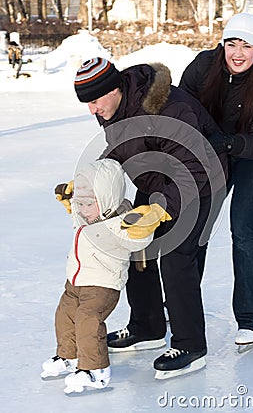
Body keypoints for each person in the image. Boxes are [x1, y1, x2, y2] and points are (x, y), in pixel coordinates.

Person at [56, 58, 228, 378]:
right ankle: (147, 327)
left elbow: (192, 167)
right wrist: (87, 185)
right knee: (132, 244)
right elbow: (118, 152)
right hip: (157, 180)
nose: (91, 110)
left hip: (202, 181)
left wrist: (162, 208)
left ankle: (190, 345)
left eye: (94, 101)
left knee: (176, 258)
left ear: (114, 89)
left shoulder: (169, 109)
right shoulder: (114, 109)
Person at [179, 12, 253, 350]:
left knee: (242, 226)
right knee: (198, 224)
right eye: (231, 44)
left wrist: (226, 142)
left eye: (246, 45)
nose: (237, 53)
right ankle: (182, 306)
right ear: (222, 44)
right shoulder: (203, 66)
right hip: (214, 152)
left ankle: (252, 319)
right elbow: (181, 106)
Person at [41, 158, 153, 393]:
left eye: (87, 204)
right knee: (64, 316)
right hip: (74, 282)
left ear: (107, 200)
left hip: (102, 286)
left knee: (87, 320)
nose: (81, 210)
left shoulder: (121, 222)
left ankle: (95, 370)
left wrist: (143, 227)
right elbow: (79, 211)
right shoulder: (87, 215)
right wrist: (72, 198)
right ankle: (69, 357)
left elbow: (138, 240)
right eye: (79, 204)